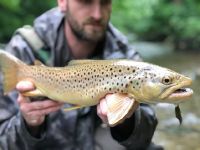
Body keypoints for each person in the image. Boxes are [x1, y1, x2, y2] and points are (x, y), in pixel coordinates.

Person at [0, 0, 160, 150]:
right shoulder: (24, 48)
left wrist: (126, 121)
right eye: (85, 1)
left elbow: (146, 137)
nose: (97, 14)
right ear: (62, 2)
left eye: (104, 2)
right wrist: (29, 123)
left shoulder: (125, 56)